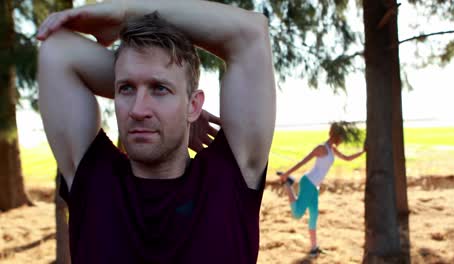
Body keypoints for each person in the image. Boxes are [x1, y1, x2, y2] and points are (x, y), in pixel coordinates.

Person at [36, 1, 275, 263]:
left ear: (194, 105)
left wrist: (126, 13)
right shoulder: (95, 182)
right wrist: (173, 100)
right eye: (126, 89)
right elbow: (56, 48)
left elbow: (250, 32)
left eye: (159, 89)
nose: (138, 110)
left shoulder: (229, 181)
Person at [278, 122, 365, 257]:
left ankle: (314, 248)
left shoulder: (332, 149)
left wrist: (363, 151)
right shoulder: (321, 148)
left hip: (314, 187)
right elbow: (303, 161)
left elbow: (347, 158)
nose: (342, 139)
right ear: (336, 136)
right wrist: (286, 174)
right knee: (297, 214)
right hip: (308, 183)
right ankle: (287, 184)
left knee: (314, 216)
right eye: (341, 137)